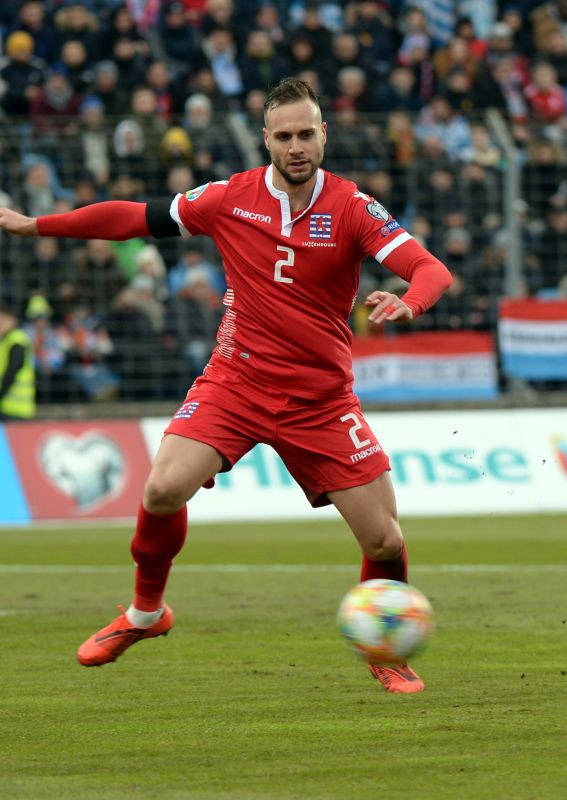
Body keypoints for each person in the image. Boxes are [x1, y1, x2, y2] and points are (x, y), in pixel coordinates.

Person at [0, 78, 453, 695]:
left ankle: (386, 649)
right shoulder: (228, 198)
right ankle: (146, 612)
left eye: (307, 134)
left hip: (320, 401)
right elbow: (133, 218)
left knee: (384, 537)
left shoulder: (353, 208)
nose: (297, 147)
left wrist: (410, 301)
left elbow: (429, 268)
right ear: (266, 139)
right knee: (162, 488)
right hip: (235, 384)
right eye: (285, 136)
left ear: (325, 135)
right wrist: (36, 225)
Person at [0, 304, 36, 421]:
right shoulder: (6, 340)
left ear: (13, 320)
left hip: (15, 409)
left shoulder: (17, 340)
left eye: (3, 318)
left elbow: (11, 371)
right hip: (8, 407)